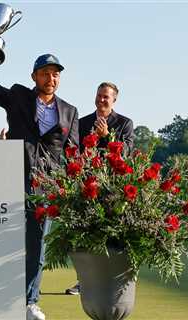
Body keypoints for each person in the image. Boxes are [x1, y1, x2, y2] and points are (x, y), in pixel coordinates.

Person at [0, 54, 79, 320]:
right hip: (11, 178)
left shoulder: (70, 111)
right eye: (45, 73)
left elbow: (74, 154)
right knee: (1, 241)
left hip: (46, 187)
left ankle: (29, 302)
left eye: (56, 74)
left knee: (36, 246)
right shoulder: (18, 97)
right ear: (34, 76)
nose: (51, 78)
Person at [65, 81, 133, 295]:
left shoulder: (124, 123)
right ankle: (83, 281)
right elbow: (73, 152)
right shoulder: (82, 122)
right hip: (86, 187)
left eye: (106, 97)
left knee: (111, 237)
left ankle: (112, 282)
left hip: (113, 190)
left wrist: (107, 137)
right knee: (82, 235)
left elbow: (127, 153)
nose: (101, 99)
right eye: (99, 95)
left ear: (114, 100)